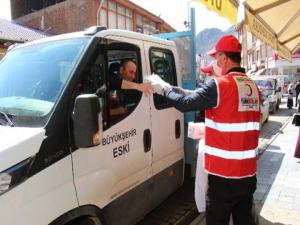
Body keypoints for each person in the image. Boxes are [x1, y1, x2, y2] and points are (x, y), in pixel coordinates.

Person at [148, 35, 260, 225]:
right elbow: (235, 119)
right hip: (248, 175)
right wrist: (171, 87)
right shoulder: (253, 86)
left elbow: (185, 104)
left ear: (224, 58)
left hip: (223, 177)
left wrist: (164, 89)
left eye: (217, 57)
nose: (215, 62)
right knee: (244, 220)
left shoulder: (219, 85)